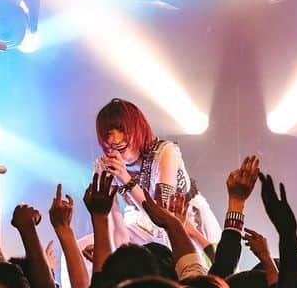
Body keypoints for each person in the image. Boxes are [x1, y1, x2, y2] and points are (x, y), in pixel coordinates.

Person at [93, 98, 221, 249]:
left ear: (136, 127)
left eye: (121, 129)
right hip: (141, 227)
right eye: (108, 133)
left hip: (187, 225)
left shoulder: (165, 152)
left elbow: (162, 216)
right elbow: (113, 223)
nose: (114, 139)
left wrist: (125, 179)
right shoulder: (107, 166)